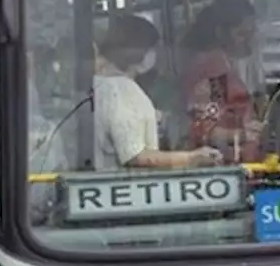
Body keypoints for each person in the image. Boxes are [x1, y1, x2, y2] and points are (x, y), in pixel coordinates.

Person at [95, 13, 222, 171]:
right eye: (153, 49)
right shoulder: (122, 90)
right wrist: (192, 158)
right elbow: (136, 156)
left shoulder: (99, 84)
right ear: (140, 51)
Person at [180, 0, 265, 160]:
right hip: (221, 162)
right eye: (242, 34)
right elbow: (203, 130)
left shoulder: (232, 64)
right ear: (221, 32)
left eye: (252, 33)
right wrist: (242, 134)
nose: (249, 40)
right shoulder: (210, 70)